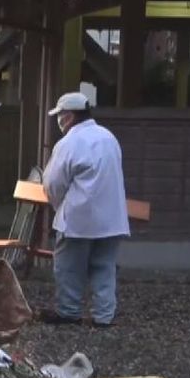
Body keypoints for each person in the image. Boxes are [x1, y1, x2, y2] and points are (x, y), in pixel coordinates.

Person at [42, 92, 129, 328]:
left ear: (68, 117)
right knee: (104, 268)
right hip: (112, 218)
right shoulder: (108, 137)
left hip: (78, 218)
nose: (59, 121)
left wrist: (58, 206)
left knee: (69, 268)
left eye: (60, 116)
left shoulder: (69, 142)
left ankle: (69, 312)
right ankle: (104, 316)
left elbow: (53, 183)